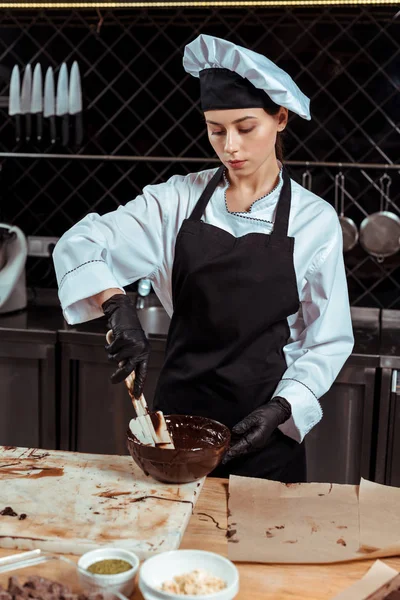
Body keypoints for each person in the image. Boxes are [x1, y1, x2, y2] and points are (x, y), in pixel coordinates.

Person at [53, 34, 354, 483]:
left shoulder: (315, 220)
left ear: (281, 119)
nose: (230, 146)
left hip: (265, 434)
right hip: (174, 433)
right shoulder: (174, 201)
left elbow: (327, 340)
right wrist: (116, 303)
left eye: (245, 127)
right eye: (216, 129)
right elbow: (80, 242)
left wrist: (283, 407)